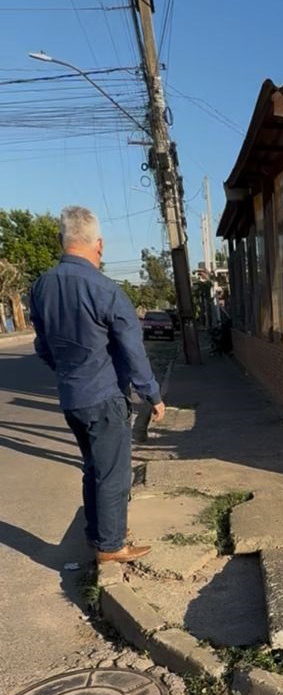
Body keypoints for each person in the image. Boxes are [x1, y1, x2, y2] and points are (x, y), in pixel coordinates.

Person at [29, 206, 166, 563]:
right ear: (99, 244)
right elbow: (133, 350)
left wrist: (66, 372)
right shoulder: (105, 290)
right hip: (105, 397)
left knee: (92, 468)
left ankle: (100, 533)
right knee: (113, 475)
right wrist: (152, 395)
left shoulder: (42, 287)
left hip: (71, 398)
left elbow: (43, 346)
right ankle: (111, 546)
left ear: (61, 240)